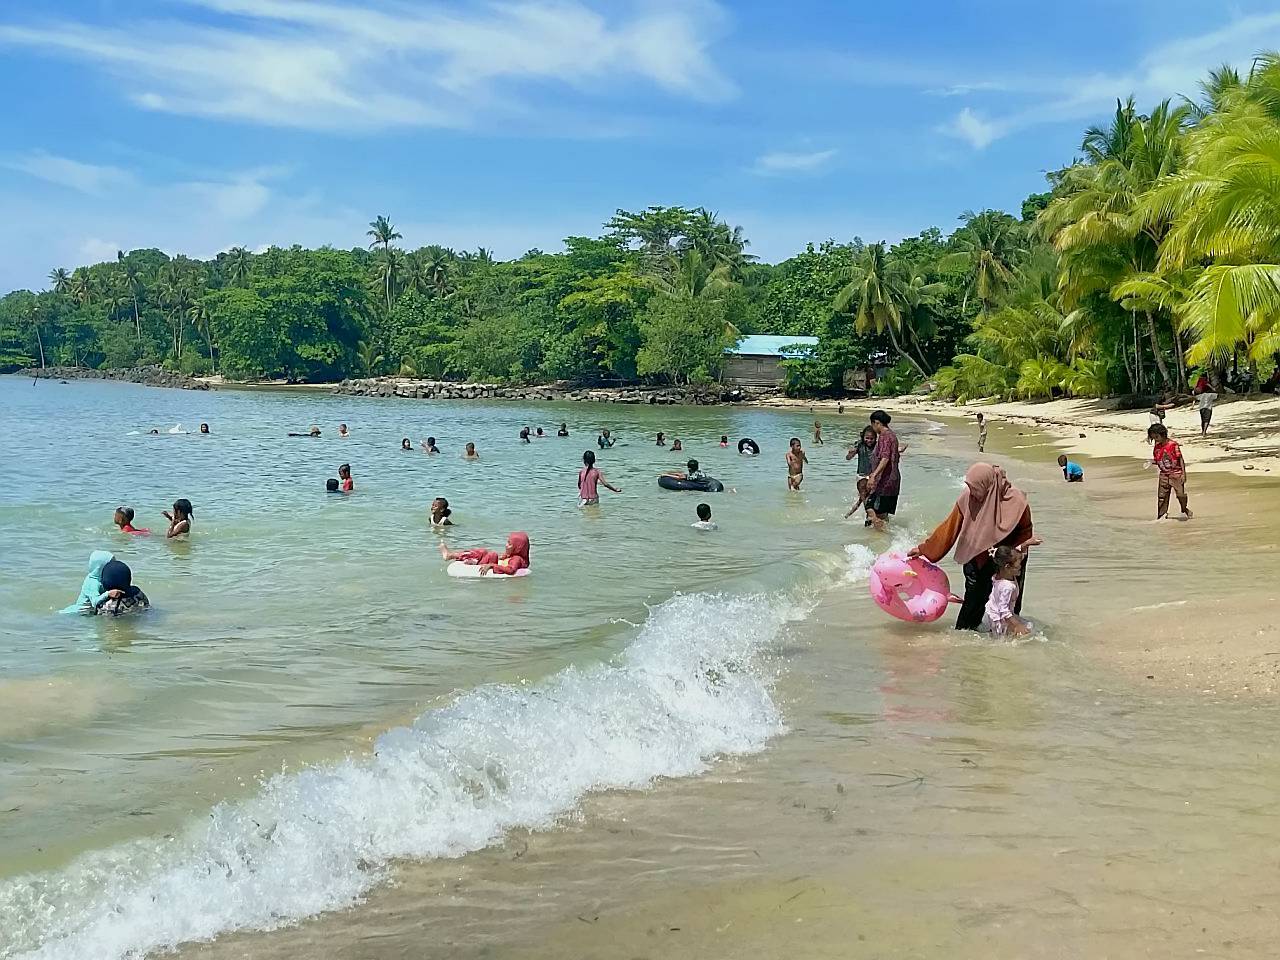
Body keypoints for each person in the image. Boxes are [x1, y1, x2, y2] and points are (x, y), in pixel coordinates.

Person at [908, 463, 1040, 630]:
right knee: (971, 610)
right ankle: (966, 647)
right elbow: (949, 527)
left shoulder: (1017, 501)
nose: (972, 492)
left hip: (1008, 560)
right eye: (969, 486)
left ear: (988, 485)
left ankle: (1008, 645)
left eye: (975, 488)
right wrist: (923, 549)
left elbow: (1025, 532)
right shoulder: (968, 497)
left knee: (1009, 604)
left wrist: (1010, 558)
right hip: (976, 559)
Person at [983, 546, 1034, 638]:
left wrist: (1024, 546)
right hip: (1000, 619)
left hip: (993, 613)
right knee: (1025, 632)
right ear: (1007, 567)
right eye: (1018, 565)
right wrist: (1018, 625)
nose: (1021, 567)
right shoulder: (1008, 587)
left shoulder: (998, 576)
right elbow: (1004, 611)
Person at [863, 411, 901, 529]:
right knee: (882, 514)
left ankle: (879, 540)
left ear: (877, 423)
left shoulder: (885, 437)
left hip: (884, 482)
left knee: (871, 509)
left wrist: (873, 475)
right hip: (892, 481)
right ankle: (885, 541)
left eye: (873, 425)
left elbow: (885, 458)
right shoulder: (892, 436)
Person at [1148, 423, 1192, 520]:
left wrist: (1184, 474)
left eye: (1156, 437)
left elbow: (1180, 459)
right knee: (1162, 497)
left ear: (1163, 434)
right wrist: (1152, 462)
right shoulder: (1157, 448)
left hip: (1176, 474)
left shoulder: (1172, 445)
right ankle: (1161, 516)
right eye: (1153, 438)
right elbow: (1158, 460)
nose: (1156, 440)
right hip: (1163, 475)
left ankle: (1184, 509)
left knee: (1180, 494)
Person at [440, 532, 530, 576]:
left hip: (491, 567)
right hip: (489, 564)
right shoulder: (514, 556)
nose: (506, 545)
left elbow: (510, 570)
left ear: (518, 547)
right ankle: (453, 555)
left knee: (491, 554)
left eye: (510, 544)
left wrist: (491, 565)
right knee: (484, 552)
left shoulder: (516, 559)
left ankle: (452, 555)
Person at [61, 550, 113, 614]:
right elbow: (94, 602)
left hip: (88, 613)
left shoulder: (101, 578)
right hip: (77, 613)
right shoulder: (92, 582)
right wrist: (108, 594)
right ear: (100, 567)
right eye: (111, 564)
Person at [844, 425, 877, 520]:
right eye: (867, 438)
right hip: (861, 476)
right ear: (863, 437)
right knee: (865, 499)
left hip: (873, 476)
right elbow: (848, 458)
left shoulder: (878, 446)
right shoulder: (859, 445)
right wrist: (851, 453)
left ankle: (850, 514)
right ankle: (869, 518)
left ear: (875, 438)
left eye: (872, 438)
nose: (869, 440)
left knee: (865, 500)